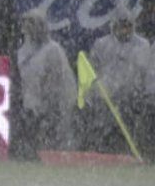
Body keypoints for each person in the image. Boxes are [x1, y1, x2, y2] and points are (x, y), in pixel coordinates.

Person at [85, 8, 151, 154]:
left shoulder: (143, 46)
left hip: (132, 101)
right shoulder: (101, 44)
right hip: (105, 101)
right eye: (121, 25)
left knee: (129, 135)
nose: (124, 29)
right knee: (104, 134)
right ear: (113, 26)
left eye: (127, 25)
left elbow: (147, 73)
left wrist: (145, 95)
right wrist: (92, 94)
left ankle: (129, 156)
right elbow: (92, 72)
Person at [15, 10, 76, 153]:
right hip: (30, 108)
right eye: (26, 25)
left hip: (52, 109)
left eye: (33, 24)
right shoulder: (22, 51)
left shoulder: (53, 50)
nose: (29, 29)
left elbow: (55, 83)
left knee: (53, 145)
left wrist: (45, 108)